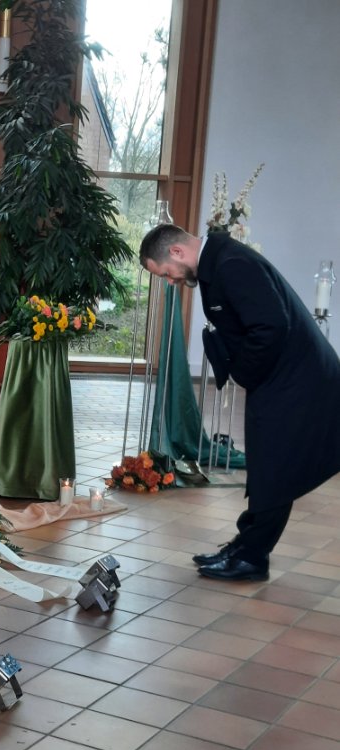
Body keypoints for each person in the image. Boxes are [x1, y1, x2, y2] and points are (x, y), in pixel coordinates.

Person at [139, 224, 340, 581]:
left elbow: (270, 326)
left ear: (176, 252)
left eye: (166, 273)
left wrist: (243, 372)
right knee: (268, 467)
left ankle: (252, 557)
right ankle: (245, 546)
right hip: (282, 378)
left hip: (299, 381)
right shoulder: (219, 262)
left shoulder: (231, 265)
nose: (171, 281)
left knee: (275, 469)